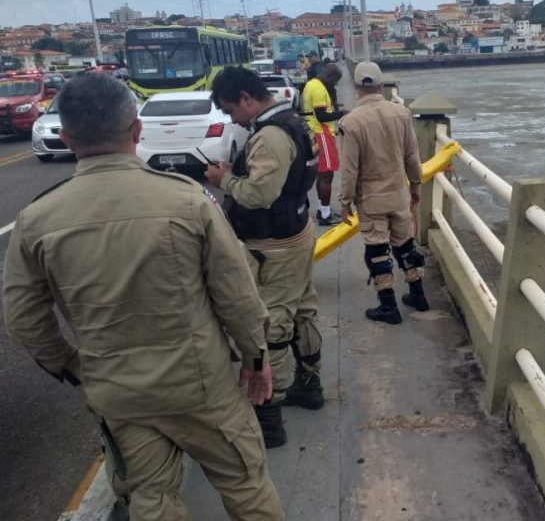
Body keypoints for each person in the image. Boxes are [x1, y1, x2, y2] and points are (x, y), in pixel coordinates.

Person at [2, 73, 284, 521]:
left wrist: (74, 366)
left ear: (69, 138)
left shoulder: (37, 220)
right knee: (246, 486)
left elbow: (23, 319)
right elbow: (238, 297)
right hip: (201, 385)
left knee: (151, 498)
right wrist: (255, 360)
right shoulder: (188, 201)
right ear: (136, 130)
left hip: (119, 394)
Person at [205, 67, 326, 445]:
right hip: (297, 232)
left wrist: (222, 179)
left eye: (229, 110)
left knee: (272, 325)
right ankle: (310, 386)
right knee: (303, 309)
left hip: (274, 246)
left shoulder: (269, 136)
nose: (231, 119)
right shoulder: (292, 122)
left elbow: (259, 195)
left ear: (246, 97)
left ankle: (269, 417)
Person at [338, 61, 429, 324]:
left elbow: (349, 170)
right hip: (399, 193)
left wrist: (345, 203)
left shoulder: (350, 122)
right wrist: (415, 185)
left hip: (371, 199)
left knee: (377, 251)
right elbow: (413, 155)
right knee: (405, 245)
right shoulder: (401, 113)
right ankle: (418, 295)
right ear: (381, 85)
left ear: (356, 88)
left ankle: (388, 307)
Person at [302, 63, 346, 226]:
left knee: (322, 175)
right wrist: (342, 113)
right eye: (335, 82)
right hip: (322, 133)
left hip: (315, 133)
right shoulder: (319, 89)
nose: (334, 85)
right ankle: (326, 215)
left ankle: (323, 209)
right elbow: (321, 116)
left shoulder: (311, 84)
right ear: (331, 77)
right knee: (327, 175)